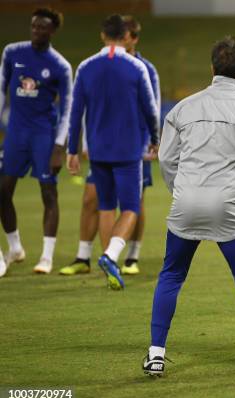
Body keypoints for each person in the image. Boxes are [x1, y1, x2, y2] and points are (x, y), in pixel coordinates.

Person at [143, 36, 235, 381]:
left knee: (171, 275)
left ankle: (155, 355)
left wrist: (182, 191)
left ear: (212, 69)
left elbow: (165, 158)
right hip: (230, 209)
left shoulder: (183, 108)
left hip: (186, 204)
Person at [59, 15, 160, 277]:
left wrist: (72, 150)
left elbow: (75, 112)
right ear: (125, 36)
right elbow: (151, 109)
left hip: (98, 150)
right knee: (130, 207)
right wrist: (156, 139)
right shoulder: (136, 68)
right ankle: (110, 256)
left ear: (103, 35)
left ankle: (108, 268)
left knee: (105, 206)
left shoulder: (85, 67)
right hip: (128, 150)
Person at [0, 7, 72, 275]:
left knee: (48, 192)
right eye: (33, 26)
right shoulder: (12, 52)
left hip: (43, 135)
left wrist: (59, 147)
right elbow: (1, 89)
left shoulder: (60, 66)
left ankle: (46, 257)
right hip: (15, 133)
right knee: (3, 191)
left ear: (52, 31)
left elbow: (68, 108)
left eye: (42, 28)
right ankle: (15, 247)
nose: (36, 31)